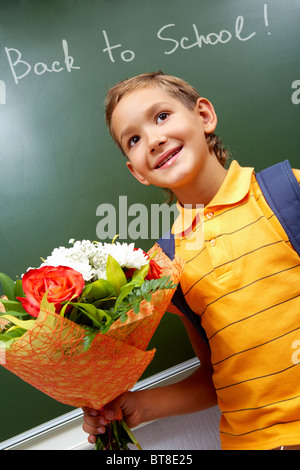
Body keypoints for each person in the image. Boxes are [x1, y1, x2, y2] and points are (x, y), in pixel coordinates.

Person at [82, 72, 300, 450]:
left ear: (204, 116)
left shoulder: (288, 193)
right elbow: (217, 374)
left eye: (162, 116)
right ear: (136, 172)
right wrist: (137, 405)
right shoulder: (165, 266)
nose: (153, 139)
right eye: (133, 139)